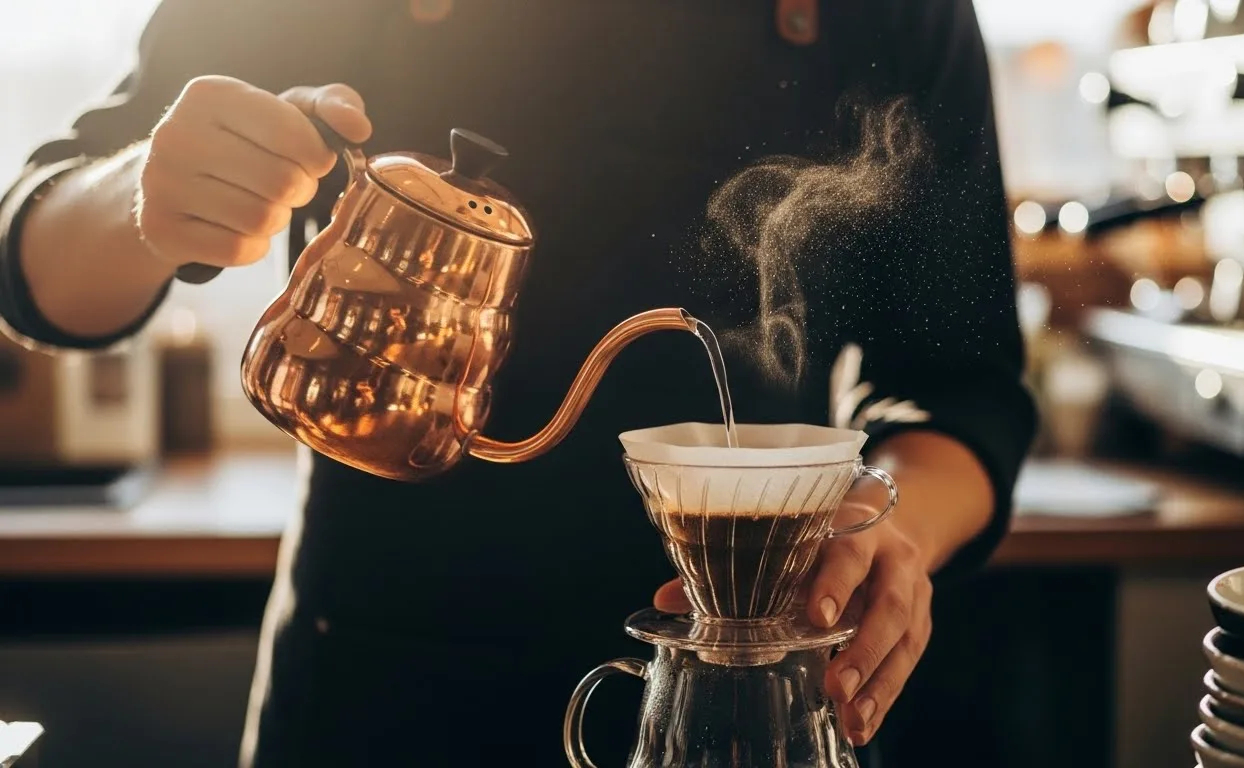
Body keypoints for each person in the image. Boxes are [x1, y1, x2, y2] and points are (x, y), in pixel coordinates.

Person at [0, 0, 1037, 764]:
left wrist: (887, 523)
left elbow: (964, 390)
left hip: (742, 692)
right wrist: (150, 187)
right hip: (382, 678)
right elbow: (37, 270)